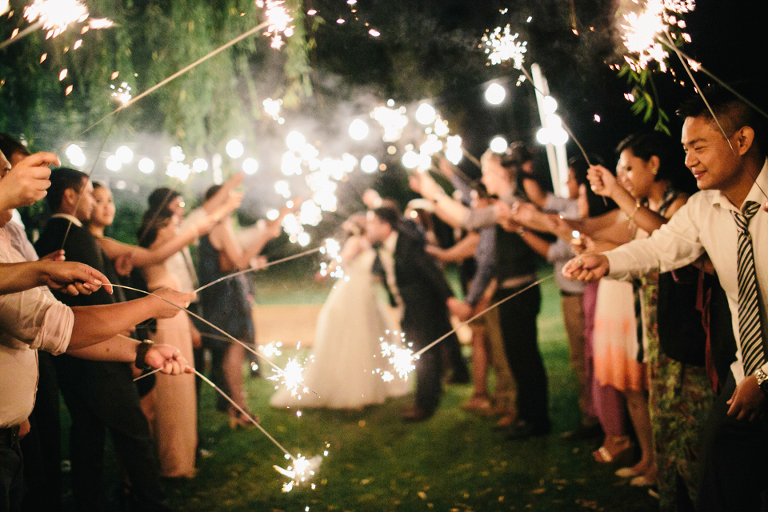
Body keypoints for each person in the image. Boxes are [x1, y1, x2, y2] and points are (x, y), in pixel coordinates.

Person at [563, 86, 768, 511]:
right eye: (685, 148)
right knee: (719, 487)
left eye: (699, 147)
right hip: (742, 376)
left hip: (760, 377)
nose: (688, 159)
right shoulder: (702, 207)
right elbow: (660, 248)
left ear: (743, 141)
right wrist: (607, 262)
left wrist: (765, 377)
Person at [32, 168, 179, 512]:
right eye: (89, 195)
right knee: (134, 433)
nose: (94, 202)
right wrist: (129, 346)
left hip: (67, 357)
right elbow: (95, 306)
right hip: (99, 356)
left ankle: (89, 500)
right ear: (69, 196)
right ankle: (152, 501)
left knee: (87, 436)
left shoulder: (45, 237)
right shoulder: (78, 236)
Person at [271, 215, 410, 409]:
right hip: (353, 294)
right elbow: (343, 259)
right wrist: (325, 273)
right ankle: (353, 390)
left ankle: (370, 386)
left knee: (368, 338)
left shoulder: (369, 245)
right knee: (355, 338)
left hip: (365, 294)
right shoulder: (357, 242)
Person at [197, 184, 280, 428]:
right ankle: (239, 408)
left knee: (232, 349)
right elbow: (239, 262)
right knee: (234, 348)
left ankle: (236, 406)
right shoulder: (220, 226)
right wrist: (264, 236)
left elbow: (227, 261)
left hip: (222, 294)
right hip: (226, 296)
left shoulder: (213, 226)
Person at [365, 206, 458, 422]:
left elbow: (431, 272)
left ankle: (424, 405)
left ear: (385, 226)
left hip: (423, 305)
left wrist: (450, 299)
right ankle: (429, 395)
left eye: (372, 223)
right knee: (421, 352)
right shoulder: (384, 246)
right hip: (408, 305)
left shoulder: (408, 244)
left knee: (422, 353)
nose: (368, 227)